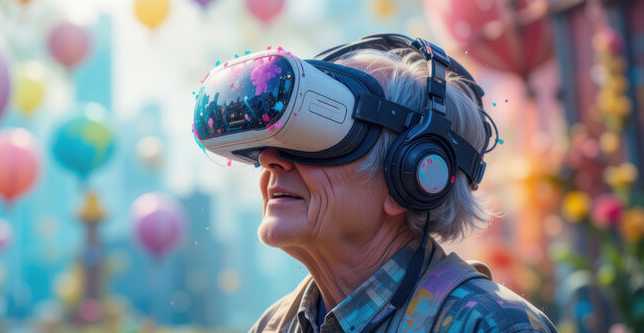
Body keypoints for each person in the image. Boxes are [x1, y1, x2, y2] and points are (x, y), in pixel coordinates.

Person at [191, 34, 557, 332]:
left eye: (318, 136)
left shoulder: (489, 325)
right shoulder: (274, 326)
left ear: (410, 176)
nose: (271, 159)